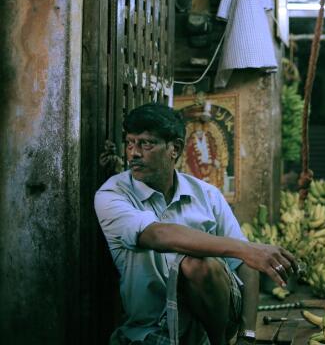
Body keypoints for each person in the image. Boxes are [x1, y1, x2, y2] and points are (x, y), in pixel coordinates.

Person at [95, 103, 296, 345]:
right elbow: (158, 235)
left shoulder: (207, 195)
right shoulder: (112, 194)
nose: (134, 153)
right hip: (149, 330)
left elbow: (245, 265)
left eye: (146, 143)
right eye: (130, 143)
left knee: (198, 264)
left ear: (175, 149)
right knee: (195, 256)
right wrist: (246, 248)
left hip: (210, 327)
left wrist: (248, 335)